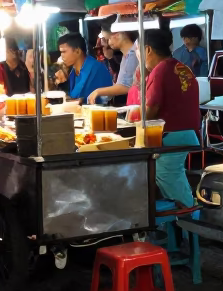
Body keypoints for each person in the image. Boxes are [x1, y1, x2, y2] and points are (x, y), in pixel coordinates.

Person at [128, 28, 201, 206]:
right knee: (174, 177)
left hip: (172, 137)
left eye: (138, 50)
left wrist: (132, 118)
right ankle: (185, 221)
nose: (137, 55)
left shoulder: (160, 71)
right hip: (186, 133)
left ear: (148, 50)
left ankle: (189, 223)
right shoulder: (180, 67)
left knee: (168, 178)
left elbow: (151, 110)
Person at [54, 32, 111, 102]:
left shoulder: (97, 69)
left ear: (78, 51)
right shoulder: (73, 73)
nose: (62, 56)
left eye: (64, 52)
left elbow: (105, 100)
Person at [87, 29, 139, 105]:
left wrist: (98, 91)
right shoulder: (126, 55)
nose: (108, 43)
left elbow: (126, 87)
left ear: (118, 35)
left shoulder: (133, 55)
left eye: (109, 39)